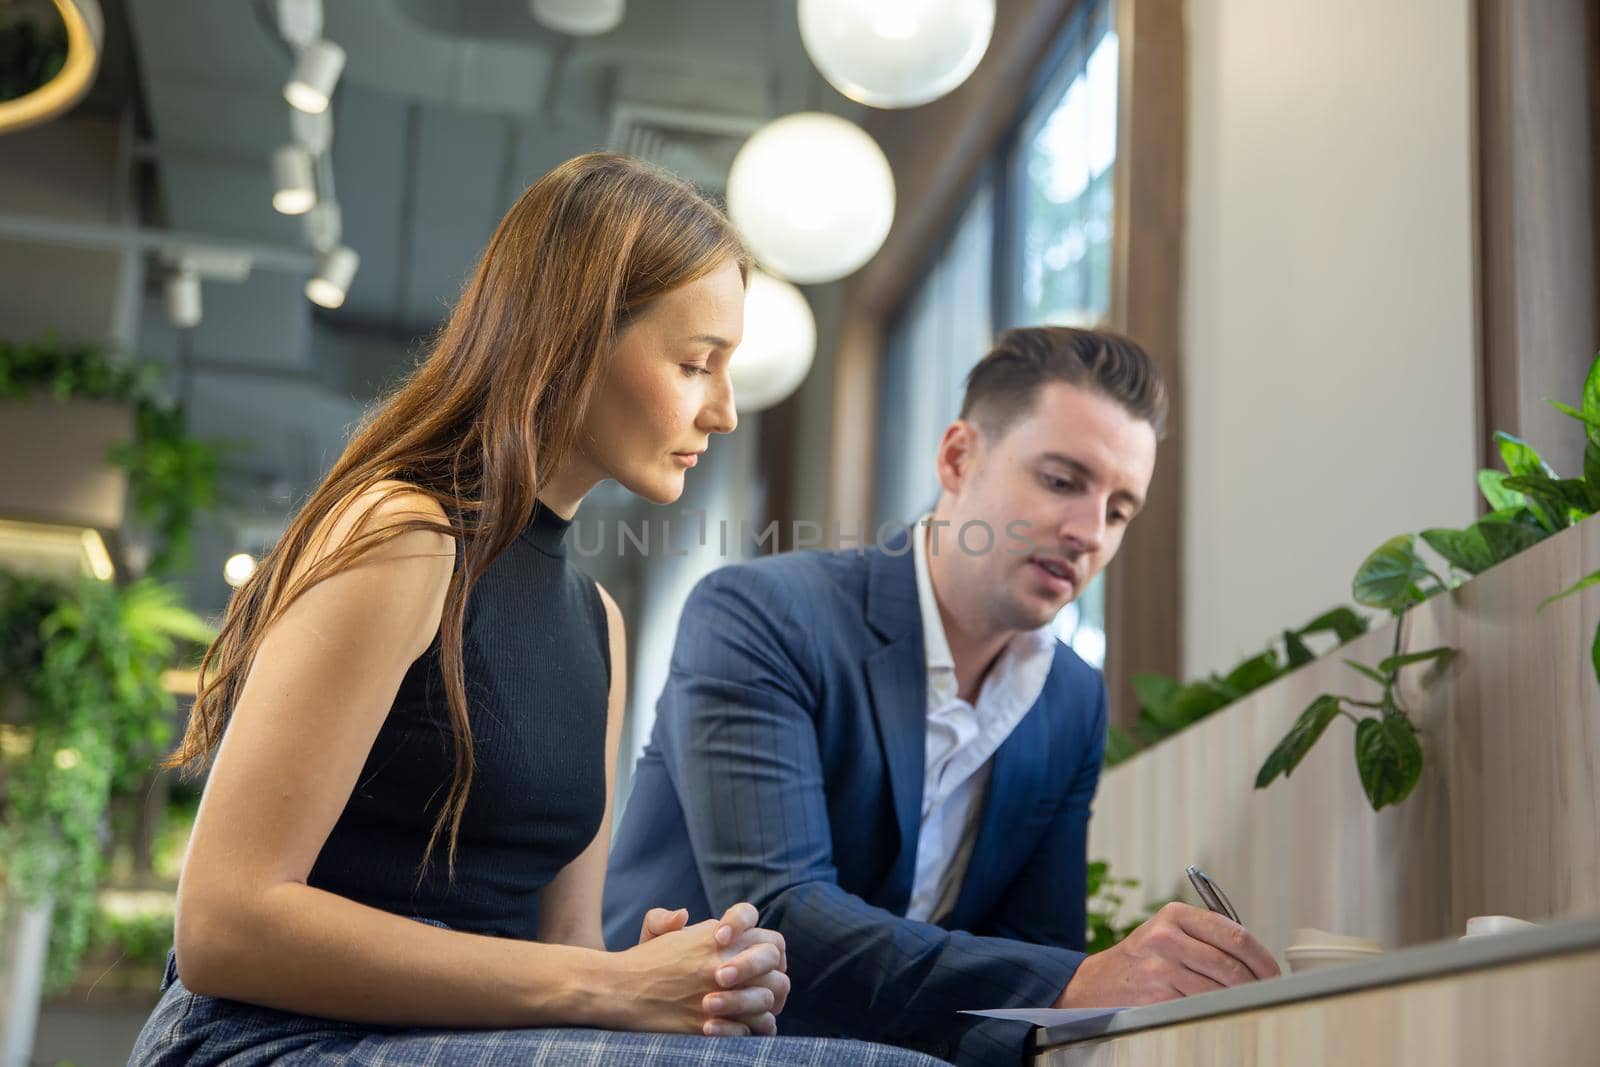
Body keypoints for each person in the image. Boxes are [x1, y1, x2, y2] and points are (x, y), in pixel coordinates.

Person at [129, 154, 944, 1067]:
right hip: (270, 1040)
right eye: (695, 363)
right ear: (573, 337)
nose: (723, 413)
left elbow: (564, 955)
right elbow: (223, 923)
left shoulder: (600, 622)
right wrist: (608, 989)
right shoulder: (406, 535)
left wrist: (653, 982)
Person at [604, 326, 1282, 1066]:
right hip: (689, 1046)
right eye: (1061, 480)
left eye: (1119, 510)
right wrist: (1079, 978)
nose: (1089, 531)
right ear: (958, 457)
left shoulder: (1068, 700)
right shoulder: (761, 614)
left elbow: (1032, 962)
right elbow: (778, 916)